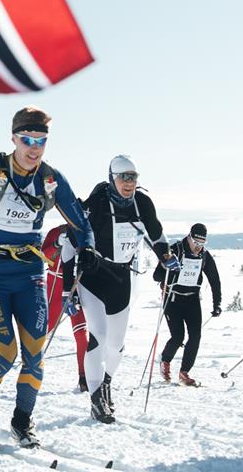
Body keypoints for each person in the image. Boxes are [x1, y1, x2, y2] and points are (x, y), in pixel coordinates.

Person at [0, 108, 93, 449]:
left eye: (41, 141)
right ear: (13, 139)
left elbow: (79, 224)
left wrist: (87, 248)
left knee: (35, 355)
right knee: (4, 354)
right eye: (27, 140)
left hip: (29, 272)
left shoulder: (51, 180)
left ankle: (22, 420)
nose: (34, 148)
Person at [62, 154, 167, 425]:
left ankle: (106, 382)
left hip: (122, 278)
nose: (129, 183)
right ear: (112, 179)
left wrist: (166, 257)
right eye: (124, 177)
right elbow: (69, 244)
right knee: (98, 334)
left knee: (117, 345)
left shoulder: (142, 203)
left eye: (133, 177)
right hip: (94, 275)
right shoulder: (96, 203)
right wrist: (66, 288)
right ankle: (95, 397)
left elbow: (156, 233)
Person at [157, 224, 222, 386]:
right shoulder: (176, 250)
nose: (198, 247)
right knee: (178, 336)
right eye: (196, 242)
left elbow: (214, 280)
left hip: (192, 299)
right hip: (173, 299)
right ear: (189, 237)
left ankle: (184, 372)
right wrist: (167, 266)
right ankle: (165, 360)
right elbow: (156, 275)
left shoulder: (204, 256)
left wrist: (217, 303)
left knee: (195, 336)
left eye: (202, 243)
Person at [42, 222, 90, 391]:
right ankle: (31, 364)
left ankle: (84, 377)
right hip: (56, 283)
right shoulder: (57, 231)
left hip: (78, 285)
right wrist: (57, 244)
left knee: (81, 332)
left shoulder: (87, 232)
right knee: (45, 328)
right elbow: (43, 256)